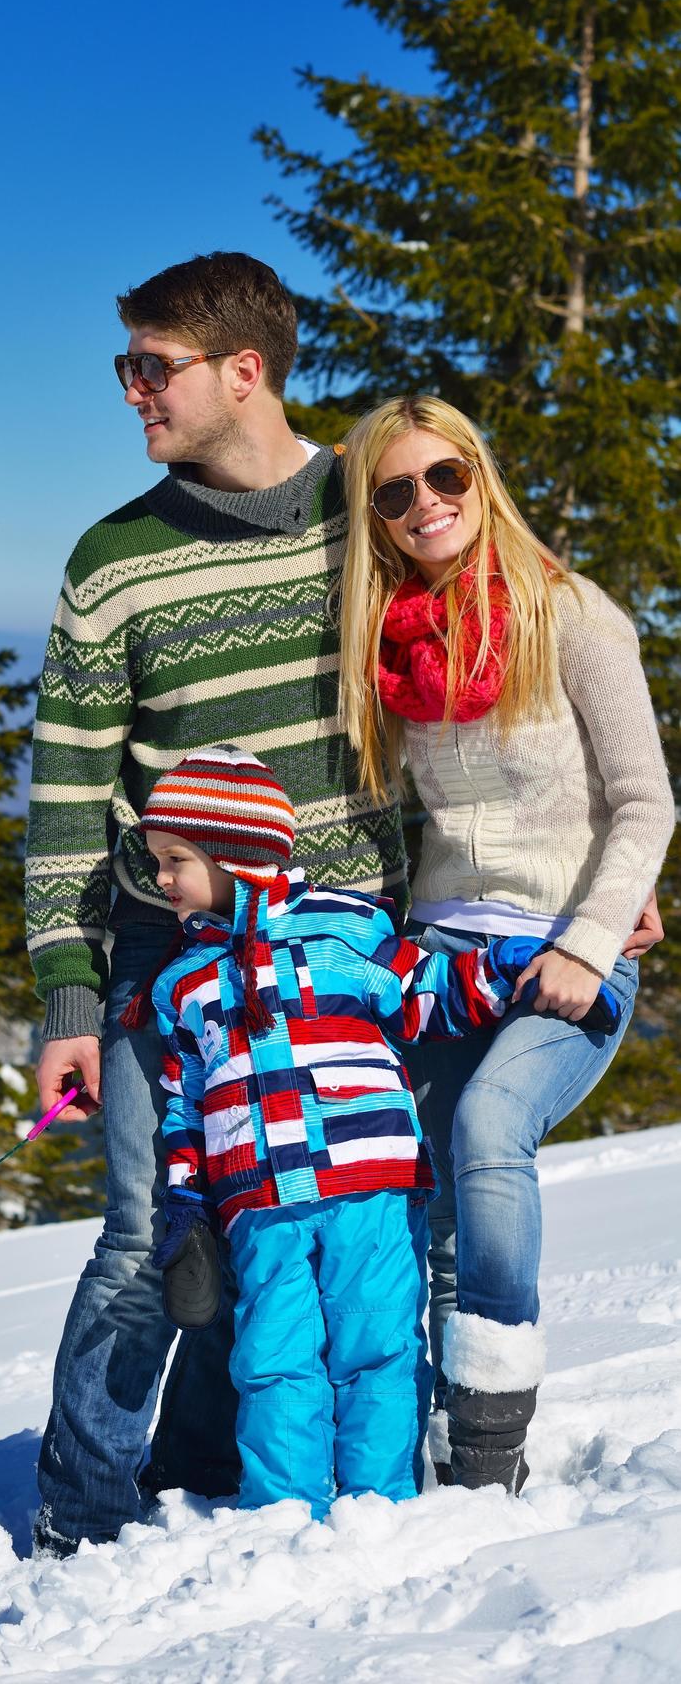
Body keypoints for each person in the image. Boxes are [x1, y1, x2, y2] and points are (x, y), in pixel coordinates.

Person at [25, 252, 408, 1556]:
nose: (132, 391)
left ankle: (211, 1463)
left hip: (346, 948)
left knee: (331, 1216)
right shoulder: (114, 561)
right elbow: (71, 794)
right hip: (170, 950)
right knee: (149, 1232)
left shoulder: (373, 515)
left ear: (246, 370)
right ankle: (78, 1518)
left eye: (154, 367)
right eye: (124, 366)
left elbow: (502, 670)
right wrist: (68, 998)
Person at [338, 395, 675, 1493]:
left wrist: (588, 940)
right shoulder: (388, 646)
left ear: (481, 478)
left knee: (490, 1126)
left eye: (445, 478)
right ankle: (426, 1438)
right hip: (443, 959)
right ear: (376, 517)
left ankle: (488, 1450)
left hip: (569, 953)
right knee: (421, 1185)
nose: (426, 504)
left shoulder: (573, 615)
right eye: (396, 493)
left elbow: (644, 804)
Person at [137, 745, 617, 1513]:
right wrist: (186, 1201)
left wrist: (516, 968)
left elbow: (426, 994)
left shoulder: (348, 929)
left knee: (380, 1349)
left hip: (373, 1187)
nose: (161, 879)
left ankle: (380, 1507)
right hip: (258, 1204)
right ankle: (285, 1514)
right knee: (272, 1359)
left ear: (235, 854)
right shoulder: (181, 984)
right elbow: (184, 1107)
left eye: (174, 859)